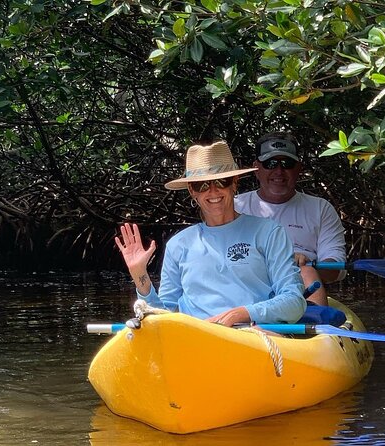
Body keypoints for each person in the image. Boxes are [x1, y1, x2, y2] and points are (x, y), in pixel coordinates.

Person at [115, 140, 306, 327]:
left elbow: (294, 302)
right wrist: (140, 276)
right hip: (196, 342)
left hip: (253, 336)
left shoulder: (269, 232)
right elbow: (163, 318)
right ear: (192, 191)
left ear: (234, 183)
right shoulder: (178, 244)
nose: (213, 191)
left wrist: (241, 314)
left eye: (221, 181)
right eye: (202, 185)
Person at [234, 132, 346, 306]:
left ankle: (316, 325)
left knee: (306, 273)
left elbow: (334, 269)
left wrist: (303, 265)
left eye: (287, 164)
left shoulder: (321, 208)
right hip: (247, 290)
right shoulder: (235, 206)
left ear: (298, 168)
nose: (279, 172)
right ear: (256, 168)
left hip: (304, 288)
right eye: (270, 163)